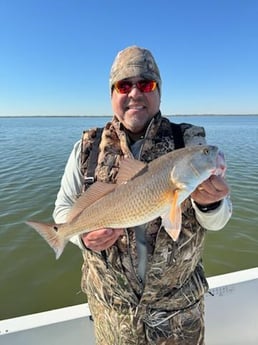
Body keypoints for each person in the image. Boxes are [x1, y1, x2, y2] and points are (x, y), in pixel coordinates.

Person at [53, 46, 232, 345]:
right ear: (112, 95)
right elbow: (63, 208)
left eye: (145, 84)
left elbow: (218, 222)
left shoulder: (187, 143)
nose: (135, 93)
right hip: (112, 317)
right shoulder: (86, 148)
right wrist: (79, 237)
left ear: (159, 92)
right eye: (124, 85)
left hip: (178, 318)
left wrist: (212, 204)